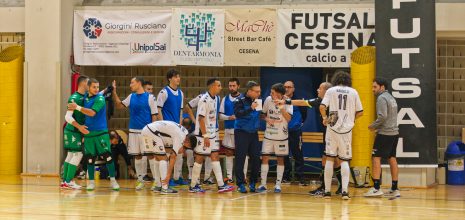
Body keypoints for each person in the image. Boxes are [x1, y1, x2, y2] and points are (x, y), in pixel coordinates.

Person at [277, 82, 343, 196]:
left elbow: (338, 116)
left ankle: (324, 187)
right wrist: (286, 101)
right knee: (335, 160)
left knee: (326, 159)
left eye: (320, 88)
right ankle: (341, 186)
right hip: (329, 134)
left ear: (326, 91)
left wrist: (327, 119)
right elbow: (303, 102)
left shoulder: (334, 102)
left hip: (334, 134)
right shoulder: (319, 101)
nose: (317, 90)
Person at [68, 78, 120, 191]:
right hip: (88, 133)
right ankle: (91, 182)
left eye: (97, 87)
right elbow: (96, 93)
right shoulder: (86, 96)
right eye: (94, 87)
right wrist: (107, 89)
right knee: (90, 159)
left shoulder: (100, 99)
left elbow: (91, 113)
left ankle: (113, 181)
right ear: (89, 87)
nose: (96, 89)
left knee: (108, 157)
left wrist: (76, 107)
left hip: (101, 133)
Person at [319, 71, 363, 200]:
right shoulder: (353, 92)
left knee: (330, 158)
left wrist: (325, 118)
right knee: (344, 160)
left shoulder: (331, 90)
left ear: (336, 79)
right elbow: (360, 112)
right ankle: (345, 192)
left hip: (332, 126)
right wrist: (351, 119)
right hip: (347, 130)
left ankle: (327, 192)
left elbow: (322, 106)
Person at [112, 77, 158, 190]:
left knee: (151, 156)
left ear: (139, 83)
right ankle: (140, 180)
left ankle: (157, 182)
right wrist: (114, 92)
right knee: (137, 156)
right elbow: (119, 105)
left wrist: (153, 133)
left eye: (132, 82)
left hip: (147, 132)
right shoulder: (131, 96)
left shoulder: (150, 97)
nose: (130, 85)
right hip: (133, 131)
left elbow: (154, 116)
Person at [189, 78, 234, 193]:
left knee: (215, 156)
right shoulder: (204, 99)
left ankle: (221, 185)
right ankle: (193, 185)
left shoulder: (216, 99)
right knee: (199, 158)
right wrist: (205, 135)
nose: (221, 87)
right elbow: (201, 118)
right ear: (212, 86)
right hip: (203, 135)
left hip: (212, 133)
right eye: (219, 85)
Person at [364, 78, 400, 198]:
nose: (373, 89)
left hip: (385, 133)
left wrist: (372, 126)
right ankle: (395, 188)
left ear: (382, 87)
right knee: (392, 158)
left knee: (375, 158)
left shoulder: (381, 98)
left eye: (375, 87)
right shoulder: (391, 97)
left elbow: (383, 116)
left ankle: (376, 188)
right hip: (394, 133)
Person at [141, 120, 198, 194]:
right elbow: (173, 157)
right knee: (163, 158)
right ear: (187, 142)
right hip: (152, 132)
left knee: (158, 158)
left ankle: (158, 185)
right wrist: (168, 176)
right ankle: (165, 187)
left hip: (146, 130)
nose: (185, 149)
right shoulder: (181, 137)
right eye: (187, 147)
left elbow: (168, 149)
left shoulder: (184, 132)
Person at [257, 83, 293, 193]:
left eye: (272, 92)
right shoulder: (268, 100)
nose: (270, 94)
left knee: (280, 159)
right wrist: (267, 119)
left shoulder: (288, 101)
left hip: (281, 136)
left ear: (278, 94)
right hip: (269, 135)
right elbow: (262, 115)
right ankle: (263, 184)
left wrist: (281, 108)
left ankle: (278, 185)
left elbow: (289, 119)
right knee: (265, 158)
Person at [157, 69, 188, 186]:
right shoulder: (163, 92)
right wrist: (162, 125)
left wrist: (180, 126)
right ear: (170, 78)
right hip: (166, 128)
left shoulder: (181, 93)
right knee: (168, 153)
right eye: (175, 77)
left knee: (179, 152)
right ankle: (166, 179)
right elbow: (158, 109)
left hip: (176, 127)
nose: (178, 79)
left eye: (179, 76)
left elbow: (180, 112)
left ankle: (177, 176)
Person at [61, 75, 89, 190]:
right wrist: (80, 127)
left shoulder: (85, 96)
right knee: (78, 154)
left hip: (73, 131)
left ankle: (65, 182)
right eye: (89, 83)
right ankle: (68, 181)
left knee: (71, 154)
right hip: (72, 130)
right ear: (83, 84)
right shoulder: (74, 98)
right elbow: (67, 117)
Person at [234, 81, 262, 193]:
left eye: (259, 91)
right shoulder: (239, 100)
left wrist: (267, 118)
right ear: (249, 91)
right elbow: (238, 114)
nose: (259, 93)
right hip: (241, 132)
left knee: (256, 159)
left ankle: (253, 182)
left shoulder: (258, 100)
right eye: (257, 91)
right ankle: (240, 183)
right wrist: (250, 108)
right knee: (240, 158)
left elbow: (258, 114)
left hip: (254, 133)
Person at [219, 78, 246, 184]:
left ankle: (243, 176)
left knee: (243, 153)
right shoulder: (225, 99)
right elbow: (220, 115)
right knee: (229, 152)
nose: (231, 88)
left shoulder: (244, 98)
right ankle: (229, 177)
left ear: (238, 86)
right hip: (229, 129)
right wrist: (228, 117)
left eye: (234, 85)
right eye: (230, 86)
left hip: (241, 129)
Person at [184, 92, 214, 185]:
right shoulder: (201, 97)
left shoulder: (216, 98)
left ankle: (207, 178)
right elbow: (187, 107)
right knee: (195, 153)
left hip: (210, 130)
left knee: (210, 153)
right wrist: (195, 120)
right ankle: (193, 179)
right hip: (200, 131)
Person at [282, 80, 308, 185]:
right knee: (284, 154)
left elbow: (304, 115)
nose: (287, 88)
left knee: (298, 154)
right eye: (285, 87)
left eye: (289, 87)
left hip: (295, 131)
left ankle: (301, 178)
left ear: (293, 89)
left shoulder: (298, 101)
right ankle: (285, 177)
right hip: (283, 131)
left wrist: (298, 123)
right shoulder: (280, 100)